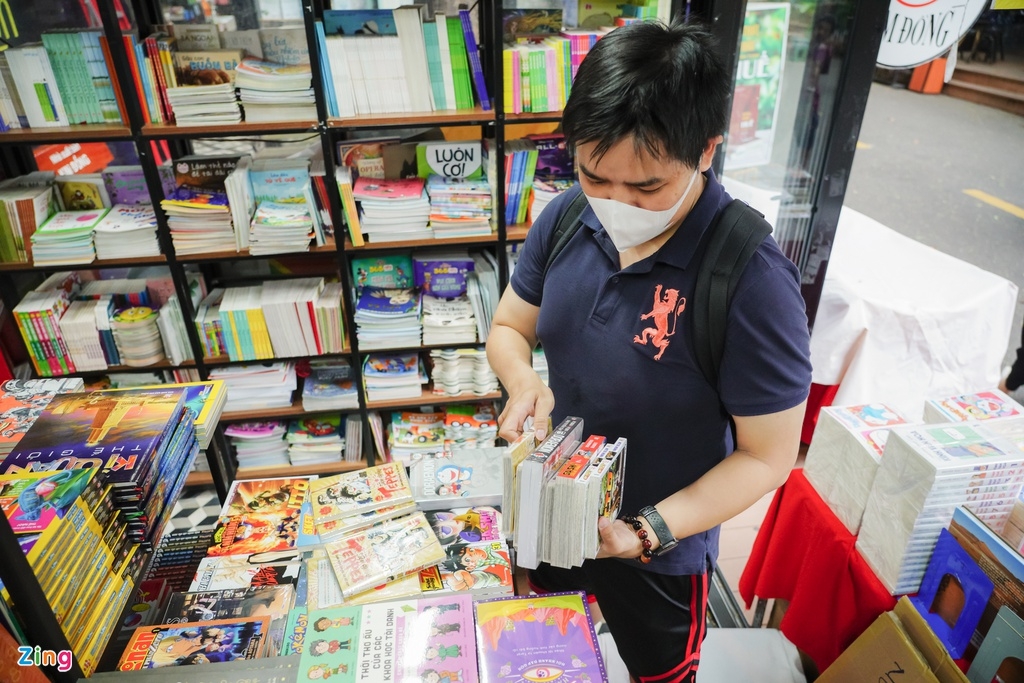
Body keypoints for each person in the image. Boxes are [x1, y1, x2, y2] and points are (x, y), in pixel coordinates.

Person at [485, 18, 812, 683]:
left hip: (661, 548)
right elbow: (508, 327)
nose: (616, 203)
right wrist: (522, 381)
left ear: (706, 151)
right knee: (547, 659)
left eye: (647, 188)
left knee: (658, 674)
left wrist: (648, 530)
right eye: (595, 175)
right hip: (553, 509)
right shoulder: (569, 214)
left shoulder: (748, 279)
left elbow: (768, 455)